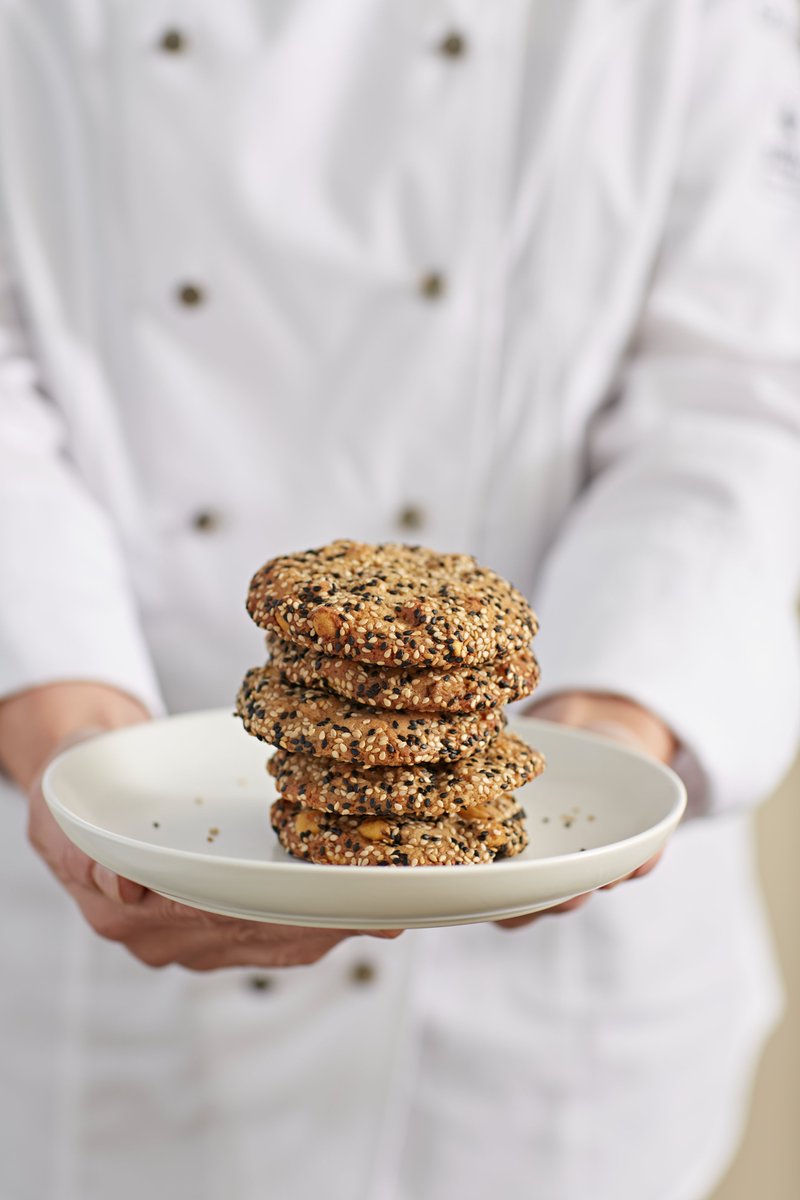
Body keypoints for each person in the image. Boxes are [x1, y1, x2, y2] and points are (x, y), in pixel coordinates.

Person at [1, 1, 799, 1197]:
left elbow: (742, 388)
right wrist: (61, 713)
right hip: (88, 1018)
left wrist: (611, 730)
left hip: (544, 1067)